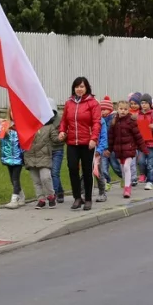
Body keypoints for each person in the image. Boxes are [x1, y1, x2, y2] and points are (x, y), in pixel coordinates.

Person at [58, 76, 101, 211]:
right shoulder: (69, 103)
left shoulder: (93, 103)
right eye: (77, 87)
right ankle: (77, 197)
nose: (79, 89)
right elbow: (64, 121)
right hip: (72, 142)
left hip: (87, 142)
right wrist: (62, 131)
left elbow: (97, 122)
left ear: (87, 88)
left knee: (87, 171)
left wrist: (94, 138)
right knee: (72, 168)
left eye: (82, 86)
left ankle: (88, 199)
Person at [106, 100, 147, 199]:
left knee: (126, 167)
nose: (123, 111)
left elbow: (138, 136)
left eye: (125, 109)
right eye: (121, 109)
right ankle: (126, 183)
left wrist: (143, 148)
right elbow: (111, 138)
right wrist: (109, 150)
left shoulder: (131, 121)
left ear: (128, 110)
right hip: (119, 150)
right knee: (123, 169)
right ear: (117, 109)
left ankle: (127, 188)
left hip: (129, 149)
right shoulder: (114, 122)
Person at [23, 105, 59, 209]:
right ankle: (41, 199)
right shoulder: (27, 126)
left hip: (44, 156)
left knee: (45, 177)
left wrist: (62, 136)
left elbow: (55, 139)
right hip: (30, 156)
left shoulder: (49, 127)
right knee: (36, 181)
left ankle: (51, 196)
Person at [0, 117, 25, 209]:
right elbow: (0, 138)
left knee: (15, 178)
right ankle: (21, 196)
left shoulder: (22, 125)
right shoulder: (6, 124)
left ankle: (14, 200)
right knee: (12, 179)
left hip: (18, 157)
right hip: (8, 157)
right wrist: (0, 125)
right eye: (11, 111)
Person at [138, 94, 153, 190]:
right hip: (141, 143)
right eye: (142, 103)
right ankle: (144, 175)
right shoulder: (138, 115)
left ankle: (150, 181)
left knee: (150, 163)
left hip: (152, 143)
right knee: (141, 162)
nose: (143, 105)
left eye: (145, 103)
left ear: (149, 104)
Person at [49, 100, 65, 204]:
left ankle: (53, 195)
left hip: (58, 149)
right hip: (47, 150)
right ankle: (60, 191)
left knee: (54, 172)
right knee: (50, 173)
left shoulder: (60, 120)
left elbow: (64, 132)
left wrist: (62, 136)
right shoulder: (43, 120)